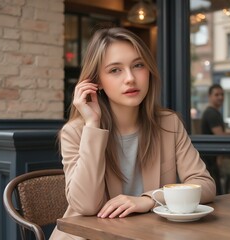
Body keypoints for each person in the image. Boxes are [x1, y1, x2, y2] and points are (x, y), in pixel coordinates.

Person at [50, 27, 216, 239]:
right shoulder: (75, 132)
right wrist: (93, 124)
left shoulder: (168, 124)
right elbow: (86, 206)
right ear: (96, 82)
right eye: (115, 70)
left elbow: (206, 186)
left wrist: (149, 199)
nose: (130, 78)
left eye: (138, 65)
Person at [200, 84, 230, 194]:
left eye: (222, 94)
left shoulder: (214, 112)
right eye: (216, 94)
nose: (220, 97)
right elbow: (220, 135)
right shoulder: (211, 113)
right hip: (210, 160)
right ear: (209, 96)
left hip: (213, 159)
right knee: (215, 191)